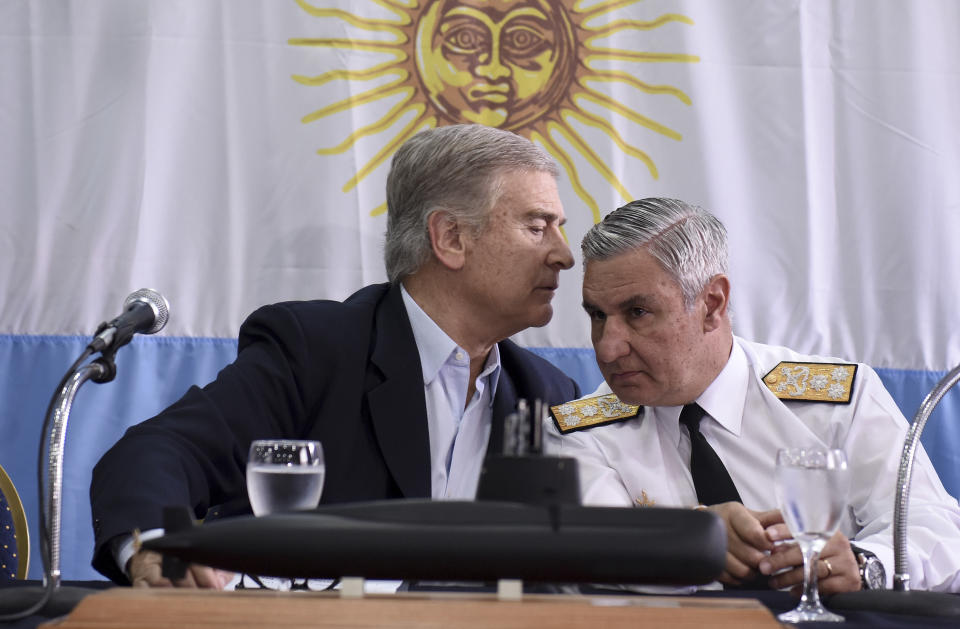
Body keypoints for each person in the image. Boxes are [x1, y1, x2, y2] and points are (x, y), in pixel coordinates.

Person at [91, 124, 579, 588]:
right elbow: (158, 453)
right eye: (537, 227)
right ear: (450, 238)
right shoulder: (315, 351)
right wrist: (158, 549)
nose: (564, 255)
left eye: (559, 228)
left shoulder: (547, 393)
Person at [545, 197, 960, 594]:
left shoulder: (835, 402)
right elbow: (592, 549)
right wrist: (693, 541)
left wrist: (866, 564)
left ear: (712, 304)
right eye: (598, 315)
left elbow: (938, 530)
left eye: (637, 313)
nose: (607, 347)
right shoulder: (580, 431)